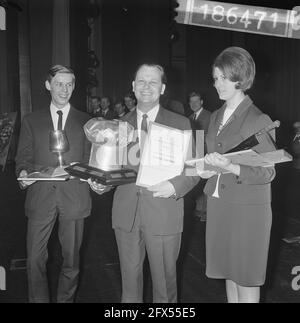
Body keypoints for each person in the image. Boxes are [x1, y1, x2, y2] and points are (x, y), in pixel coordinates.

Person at [90, 63, 199, 303]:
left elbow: (196, 168)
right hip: (126, 215)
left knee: (165, 287)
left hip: (164, 212)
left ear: (162, 88)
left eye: (153, 82)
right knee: (129, 288)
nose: (146, 86)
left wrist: (175, 186)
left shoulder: (182, 123)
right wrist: (102, 183)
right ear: (133, 87)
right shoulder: (117, 125)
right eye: (141, 81)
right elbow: (111, 170)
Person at [196, 47, 276, 303]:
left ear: (240, 78)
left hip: (247, 210)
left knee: (246, 278)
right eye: (215, 78)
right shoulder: (216, 115)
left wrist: (231, 167)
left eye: (223, 78)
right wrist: (205, 166)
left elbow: (267, 171)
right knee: (229, 275)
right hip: (221, 204)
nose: (217, 84)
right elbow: (215, 156)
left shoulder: (258, 118)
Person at [15, 65, 91, 303]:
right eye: (59, 83)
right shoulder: (31, 120)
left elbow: (92, 161)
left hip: (75, 198)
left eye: (69, 84)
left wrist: (94, 177)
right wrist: (24, 173)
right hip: (41, 197)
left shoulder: (87, 122)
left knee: (71, 260)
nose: (64, 89)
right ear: (48, 85)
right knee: (35, 259)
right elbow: (22, 160)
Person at [188, 91, 211, 221]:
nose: (194, 104)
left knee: (206, 182)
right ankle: (200, 209)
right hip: (194, 154)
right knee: (197, 180)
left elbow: (210, 135)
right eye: (191, 102)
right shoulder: (190, 117)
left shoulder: (209, 115)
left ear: (201, 102)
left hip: (205, 153)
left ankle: (206, 212)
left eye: (197, 101)